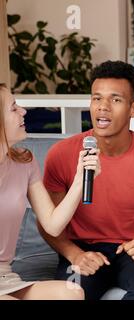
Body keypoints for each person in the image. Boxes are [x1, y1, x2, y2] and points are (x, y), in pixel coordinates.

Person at [39, 60, 134, 300]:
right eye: (97, 98)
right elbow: (48, 223)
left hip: (131, 250)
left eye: (115, 100)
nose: (103, 107)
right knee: (71, 290)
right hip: (82, 248)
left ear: (133, 108)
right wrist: (74, 255)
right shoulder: (61, 154)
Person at [0, 84, 100, 300]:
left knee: (72, 293)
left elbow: (53, 226)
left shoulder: (24, 162)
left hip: (5, 278)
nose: (23, 111)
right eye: (13, 108)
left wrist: (80, 179)